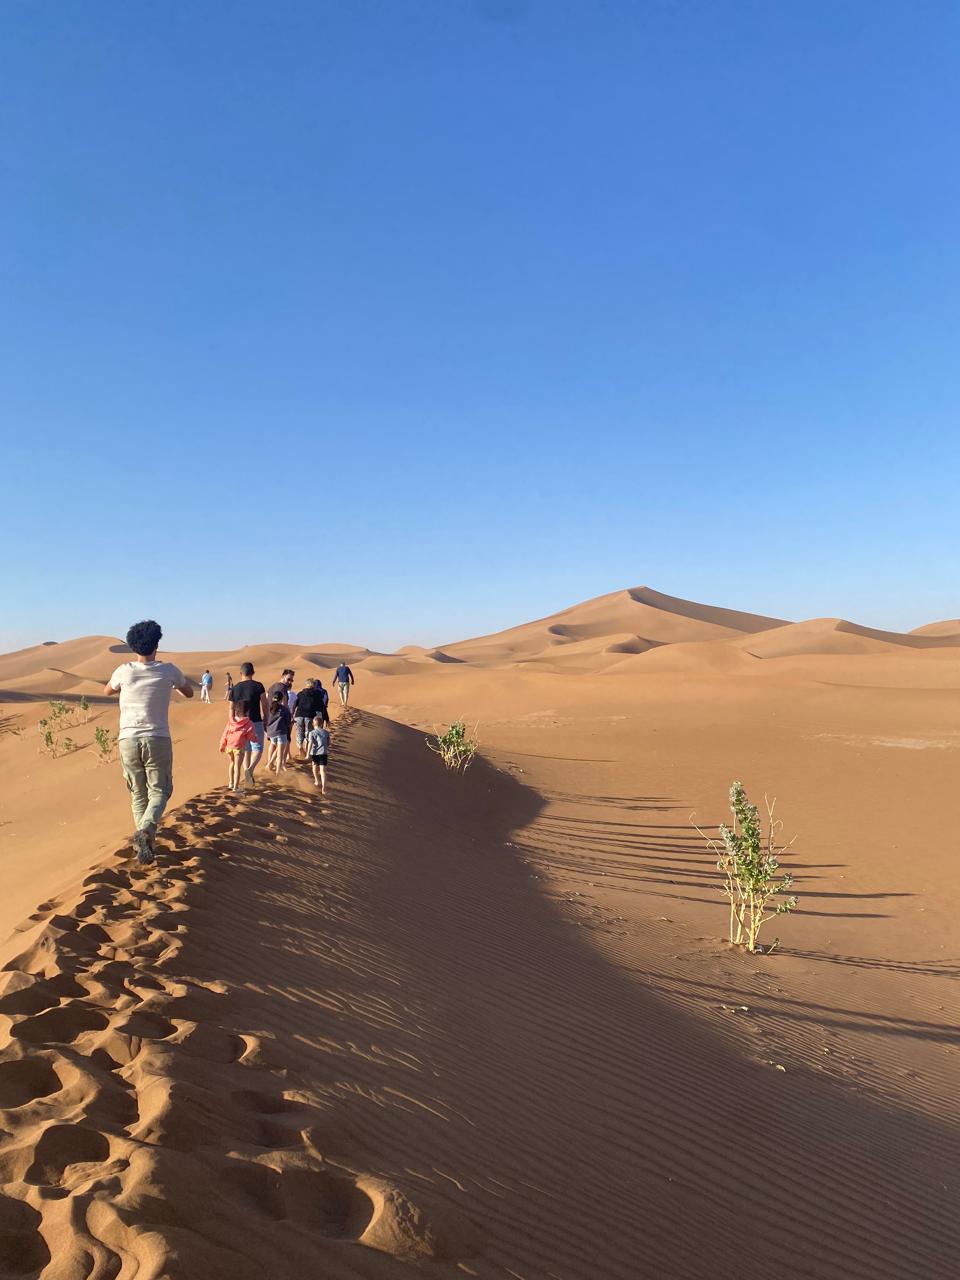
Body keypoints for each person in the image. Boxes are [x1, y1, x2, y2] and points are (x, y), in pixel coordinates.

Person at [104, 619, 193, 864]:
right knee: (161, 790)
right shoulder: (169, 670)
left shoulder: (124, 670)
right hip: (157, 737)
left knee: (137, 792)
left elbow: (107, 691)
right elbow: (189, 692)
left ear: (133, 646)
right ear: (157, 645)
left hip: (128, 739)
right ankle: (147, 830)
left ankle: (143, 842)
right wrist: (171, 685)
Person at [229, 661, 267, 785]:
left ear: (241, 673)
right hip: (255, 721)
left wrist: (232, 721)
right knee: (258, 749)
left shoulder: (235, 688)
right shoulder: (258, 686)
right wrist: (266, 717)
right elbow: (264, 704)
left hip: (240, 724)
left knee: (246, 750)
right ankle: (250, 770)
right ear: (253, 672)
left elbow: (231, 708)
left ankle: (247, 773)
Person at [219, 707, 258, 791]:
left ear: (236, 712)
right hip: (239, 747)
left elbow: (225, 733)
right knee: (237, 766)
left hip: (229, 747)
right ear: (247, 712)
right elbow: (251, 735)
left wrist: (222, 745)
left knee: (232, 763)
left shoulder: (231, 722)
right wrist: (255, 739)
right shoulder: (249, 723)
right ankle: (235, 787)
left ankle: (231, 783)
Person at [292, 678, 328, 756]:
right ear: (313, 685)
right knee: (309, 733)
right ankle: (307, 753)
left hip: (298, 715)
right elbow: (322, 707)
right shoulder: (316, 694)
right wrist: (326, 719)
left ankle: (300, 747)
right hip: (309, 715)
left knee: (299, 732)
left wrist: (292, 715)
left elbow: (295, 705)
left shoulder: (300, 694)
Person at [265, 690, 292, 774]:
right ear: (282, 699)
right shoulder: (284, 709)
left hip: (271, 732)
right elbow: (288, 722)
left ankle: (269, 764)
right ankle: (277, 774)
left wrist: (267, 731)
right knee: (280, 755)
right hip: (281, 732)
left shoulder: (269, 708)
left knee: (276, 748)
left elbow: (265, 719)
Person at [305, 715, 330, 793]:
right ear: (322, 724)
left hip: (315, 754)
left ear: (313, 724)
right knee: (323, 771)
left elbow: (310, 743)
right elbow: (329, 743)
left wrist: (307, 754)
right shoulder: (326, 732)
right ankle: (324, 788)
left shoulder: (312, 733)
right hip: (323, 753)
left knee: (314, 768)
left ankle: (316, 780)